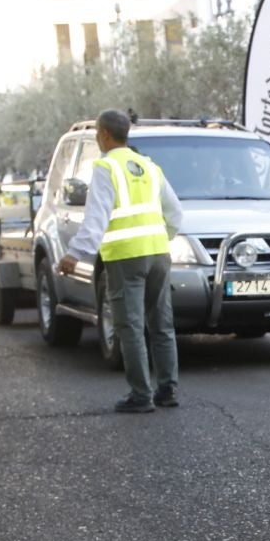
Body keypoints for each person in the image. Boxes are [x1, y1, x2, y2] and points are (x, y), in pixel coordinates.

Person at [59, 109, 185, 413]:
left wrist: (74, 254)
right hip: (158, 254)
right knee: (162, 324)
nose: (97, 138)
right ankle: (167, 390)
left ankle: (141, 396)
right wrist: (161, 239)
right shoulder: (149, 166)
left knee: (130, 327)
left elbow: (96, 218)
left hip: (125, 257)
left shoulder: (105, 167)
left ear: (104, 134)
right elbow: (175, 213)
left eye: (97, 133)